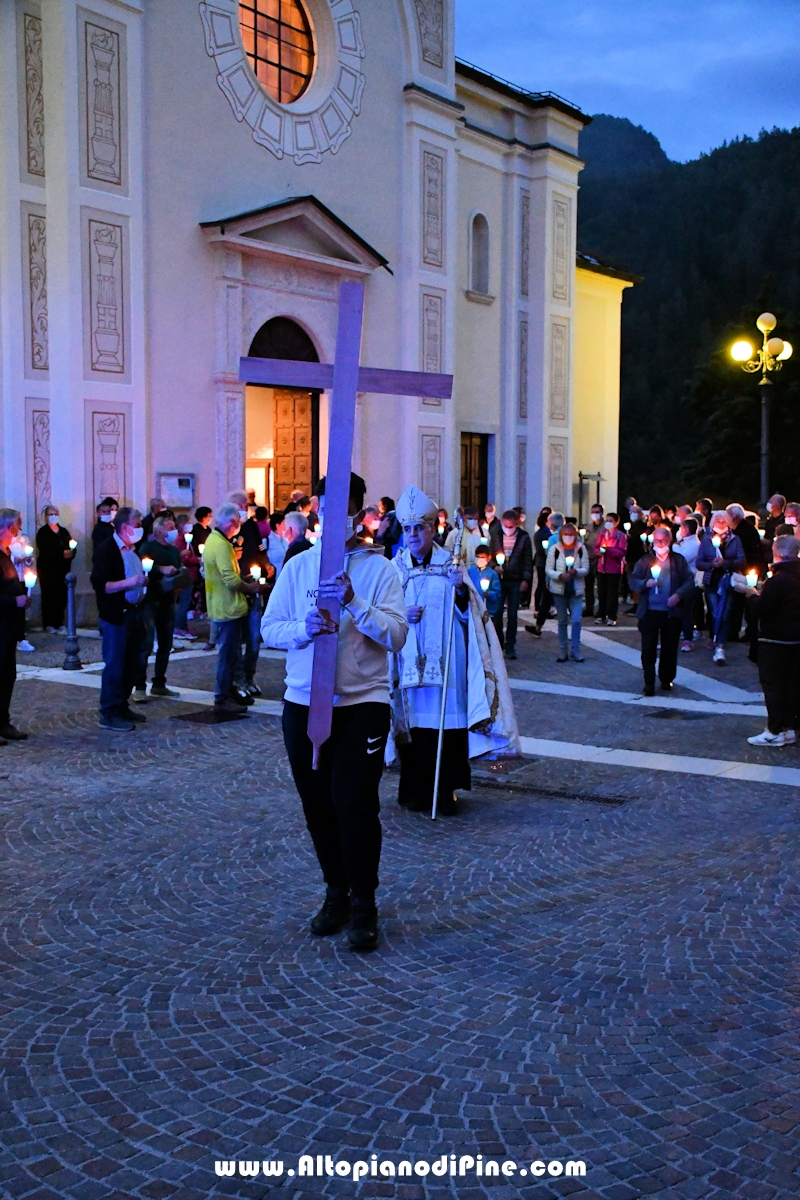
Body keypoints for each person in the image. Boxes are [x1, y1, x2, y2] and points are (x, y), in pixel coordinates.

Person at [262, 472, 408, 953]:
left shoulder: (379, 569)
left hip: (360, 703)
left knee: (354, 803)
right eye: (324, 504)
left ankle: (365, 902)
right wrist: (302, 628)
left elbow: (396, 635)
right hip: (303, 702)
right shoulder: (298, 566)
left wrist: (354, 603)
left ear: (359, 512)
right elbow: (270, 628)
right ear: (316, 509)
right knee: (317, 805)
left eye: (344, 505)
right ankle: (336, 892)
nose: (331, 513)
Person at [390, 485, 519, 819]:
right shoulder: (395, 569)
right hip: (408, 667)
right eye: (408, 529)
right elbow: (384, 612)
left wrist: (461, 591)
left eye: (420, 528)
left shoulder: (451, 566)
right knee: (414, 731)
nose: (414, 535)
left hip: (447, 666)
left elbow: (472, 615)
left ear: (433, 529)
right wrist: (403, 612)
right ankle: (415, 792)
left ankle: (443, 793)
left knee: (444, 731)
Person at [90, 507, 149, 732]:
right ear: (125, 527)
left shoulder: (132, 550)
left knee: (132, 663)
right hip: (116, 616)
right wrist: (130, 583)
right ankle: (109, 711)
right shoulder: (107, 550)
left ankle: (122, 704)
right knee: (115, 664)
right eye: (137, 523)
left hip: (134, 612)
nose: (140, 528)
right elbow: (101, 585)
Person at [203, 503, 264, 712]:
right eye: (237, 523)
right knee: (228, 655)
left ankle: (231, 693)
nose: (239, 528)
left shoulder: (215, 540)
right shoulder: (221, 544)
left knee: (233, 654)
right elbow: (229, 579)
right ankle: (222, 698)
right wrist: (251, 586)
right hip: (226, 607)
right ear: (230, 522)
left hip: (225, 606)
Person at [747, 535, 800, 747]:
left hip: (775, 639)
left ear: (776, 552)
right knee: (791, 685)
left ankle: (774, 730)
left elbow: (763, 609)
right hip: (796, 639)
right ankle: (788, 728)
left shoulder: (778, 580)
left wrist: (752, 595)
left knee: (773, 685)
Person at [630, 526, 694, 695]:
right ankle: (649, 682)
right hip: (650, 610)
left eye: (664, 540)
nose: (661, 544)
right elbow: (633, 580)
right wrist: (646, 584)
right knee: (648, 648)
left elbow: (689, 581)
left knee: (669, 647)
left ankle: (666, 679)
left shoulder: (678, 561)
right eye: (658, 541)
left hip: (671, 612)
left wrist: (678, 595)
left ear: (670, 541)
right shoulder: (645, 561)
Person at [132, 515, 187, 701]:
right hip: (151, 599)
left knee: (165, 644)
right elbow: (143, 566)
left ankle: (159, 683)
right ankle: (139, 686)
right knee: (146, 644)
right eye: (170, 527)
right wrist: (161, 569)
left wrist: (178, 582)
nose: (174, 531)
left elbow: (177, 570)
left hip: (168, 600)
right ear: (159, 531)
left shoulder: (173, 550)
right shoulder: (148, 547)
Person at [695, 510, 745, 664]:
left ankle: (720, 646)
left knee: (725, 613)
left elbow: (742, 560)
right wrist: (711, 564)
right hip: (712, 581)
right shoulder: (706, 541)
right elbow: (699, 562)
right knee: (716, 612)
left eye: (723, 522)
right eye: (718, 522)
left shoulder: (735, 540)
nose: (721, 525)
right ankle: (716, 638)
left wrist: (726, 563)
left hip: (727, 581)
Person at [0, 509, 30, 744]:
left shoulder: (6, 552)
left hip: (9, 626)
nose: (18, 531)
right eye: (17, 526)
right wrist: (13, 600)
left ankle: (3, 722)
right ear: (9, 528)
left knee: (7, 674)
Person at [489, 509, 533, 659]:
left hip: (515, 579)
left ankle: (510, 646)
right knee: (497, 613)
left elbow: (527, 560)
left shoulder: (524, 538)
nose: (508, 529)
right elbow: (490, 555)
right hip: (499, 580)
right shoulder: (496, 536)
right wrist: (494, 566)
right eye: (505, 526)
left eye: (511, 526)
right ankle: (499, 642)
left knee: (513, 615)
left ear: (516, 524)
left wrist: (526, 579)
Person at [546, 522, 589, 662]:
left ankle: (575, 649)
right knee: (562, 620)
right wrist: (559, 575)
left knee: (576, 620)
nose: (568, 537)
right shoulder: (555, 549)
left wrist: (577, 572)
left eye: (571, 535)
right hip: (559, 590)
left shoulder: (581, 549)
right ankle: (563, 650)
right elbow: (548, 569)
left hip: (576, 590)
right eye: (566, 535)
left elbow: (586, 568)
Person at [726, 502, 767, 643]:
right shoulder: (741, 529)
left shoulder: (745, 531)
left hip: (749, 570)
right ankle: (735, 631)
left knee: (747, 601)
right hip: (746, 569)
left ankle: (750, 632)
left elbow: (750, 552)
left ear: (734, 516)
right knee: (739, 603)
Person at [35, 505, 76, 632]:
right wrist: (60, 554)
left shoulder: (63, 531)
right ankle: (48, 623)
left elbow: (72, 546)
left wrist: (71, 553)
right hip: (48, 570)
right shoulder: (43, 533)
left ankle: (59, 622)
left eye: (56, 514)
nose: (54, 517)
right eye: (51, 514)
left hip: (63, 569)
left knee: (61, 596)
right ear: (46, 517)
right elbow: (44, 550)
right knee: (49, 596)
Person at [528, 510, 562, 636]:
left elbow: (550, 559)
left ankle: (538, 626)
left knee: (547, 599)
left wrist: (548, 578)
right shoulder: (571, 535)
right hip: (566, 572)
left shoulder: (553, 538)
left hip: (553, 572)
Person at [593, 512, 627, 626]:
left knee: (612, 594)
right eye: (607, 520)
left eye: (611, 521)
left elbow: (622, 552)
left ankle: (611, 616)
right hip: (601, 567)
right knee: (601, 592)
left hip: (614, 568)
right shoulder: (602, 534)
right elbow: (596, 547)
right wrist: (599, 552)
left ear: (616, 523)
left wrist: (609, 550)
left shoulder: (620, 536)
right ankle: (601, 614)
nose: (608, 523)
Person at [674, 517, 702, 651]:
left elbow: (682, 559)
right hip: (680, 581)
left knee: (686, 611)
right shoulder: (682, 542)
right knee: (678, 610)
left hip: (691, 582)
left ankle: (688, 639)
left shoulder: (695, 545)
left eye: (682, 528)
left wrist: (674, 547)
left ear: (687, 529)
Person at [468, 546, 503, 644]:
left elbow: (497, 593)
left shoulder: (492, 574)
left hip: (488, 609)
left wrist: (489, 594)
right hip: (474, 608)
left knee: (487, 634)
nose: (479, 559)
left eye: (482, 557)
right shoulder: (470, 572)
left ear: (488, 558)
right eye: (477, 556)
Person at [624, 505, 648, 613]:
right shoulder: (631, 526)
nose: (632, 515)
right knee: (631, 581)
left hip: (638, 556)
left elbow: (640, 540)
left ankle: (639, 603)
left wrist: (631, 539)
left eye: (635, 512)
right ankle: (635, 602)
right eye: (631, 513)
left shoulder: (643, 526)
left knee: (637, 579)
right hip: (630, 556)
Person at [582, 502, 605, 617]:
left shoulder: (605, 527)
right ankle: (589, 607)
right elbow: (585, 540)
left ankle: (602, 609)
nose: (595, 514)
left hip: (600, 559)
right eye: (593, 512)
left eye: (597, 512)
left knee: (601, 586)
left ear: (601, 513)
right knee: (588, 585)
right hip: (589, 558)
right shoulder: (588, 528)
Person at [91, 497, 117, 563]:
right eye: (104, 512)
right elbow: (99, 548)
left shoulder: (111, 526)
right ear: (98, 514)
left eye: (108, 511)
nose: (107, 514)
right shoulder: (98, 529)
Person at [267, 511, 288, 576]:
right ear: (277, 525)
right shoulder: (267, 542)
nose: (285, 526)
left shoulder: (286, 539)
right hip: (275, 576)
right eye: (283, 524)